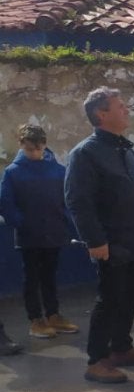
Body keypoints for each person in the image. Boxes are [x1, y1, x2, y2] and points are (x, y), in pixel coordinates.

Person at [64, 87, 134, 383]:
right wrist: (95, 241)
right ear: (101, 114)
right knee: (110, 299)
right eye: (120, 106)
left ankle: (121, 348)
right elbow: (78, 200)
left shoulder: (125, 149)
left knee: (130, 295)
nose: (126, 110)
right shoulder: (85, 153)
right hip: (112, 242)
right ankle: (97, 360)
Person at [1, 124, 79, 340]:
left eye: (38, 148)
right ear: (21, 146)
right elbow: (6, 202)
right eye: (29, 149)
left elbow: (68, 197)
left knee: (50, 276)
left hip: (53, 231)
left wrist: (64, 219)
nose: (35, 153)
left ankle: (53, 315)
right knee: (32, 278)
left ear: (45, 145)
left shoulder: (58, 170)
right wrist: (20, 222)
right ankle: (36, 319)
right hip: (29, 236)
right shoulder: (12, 172)